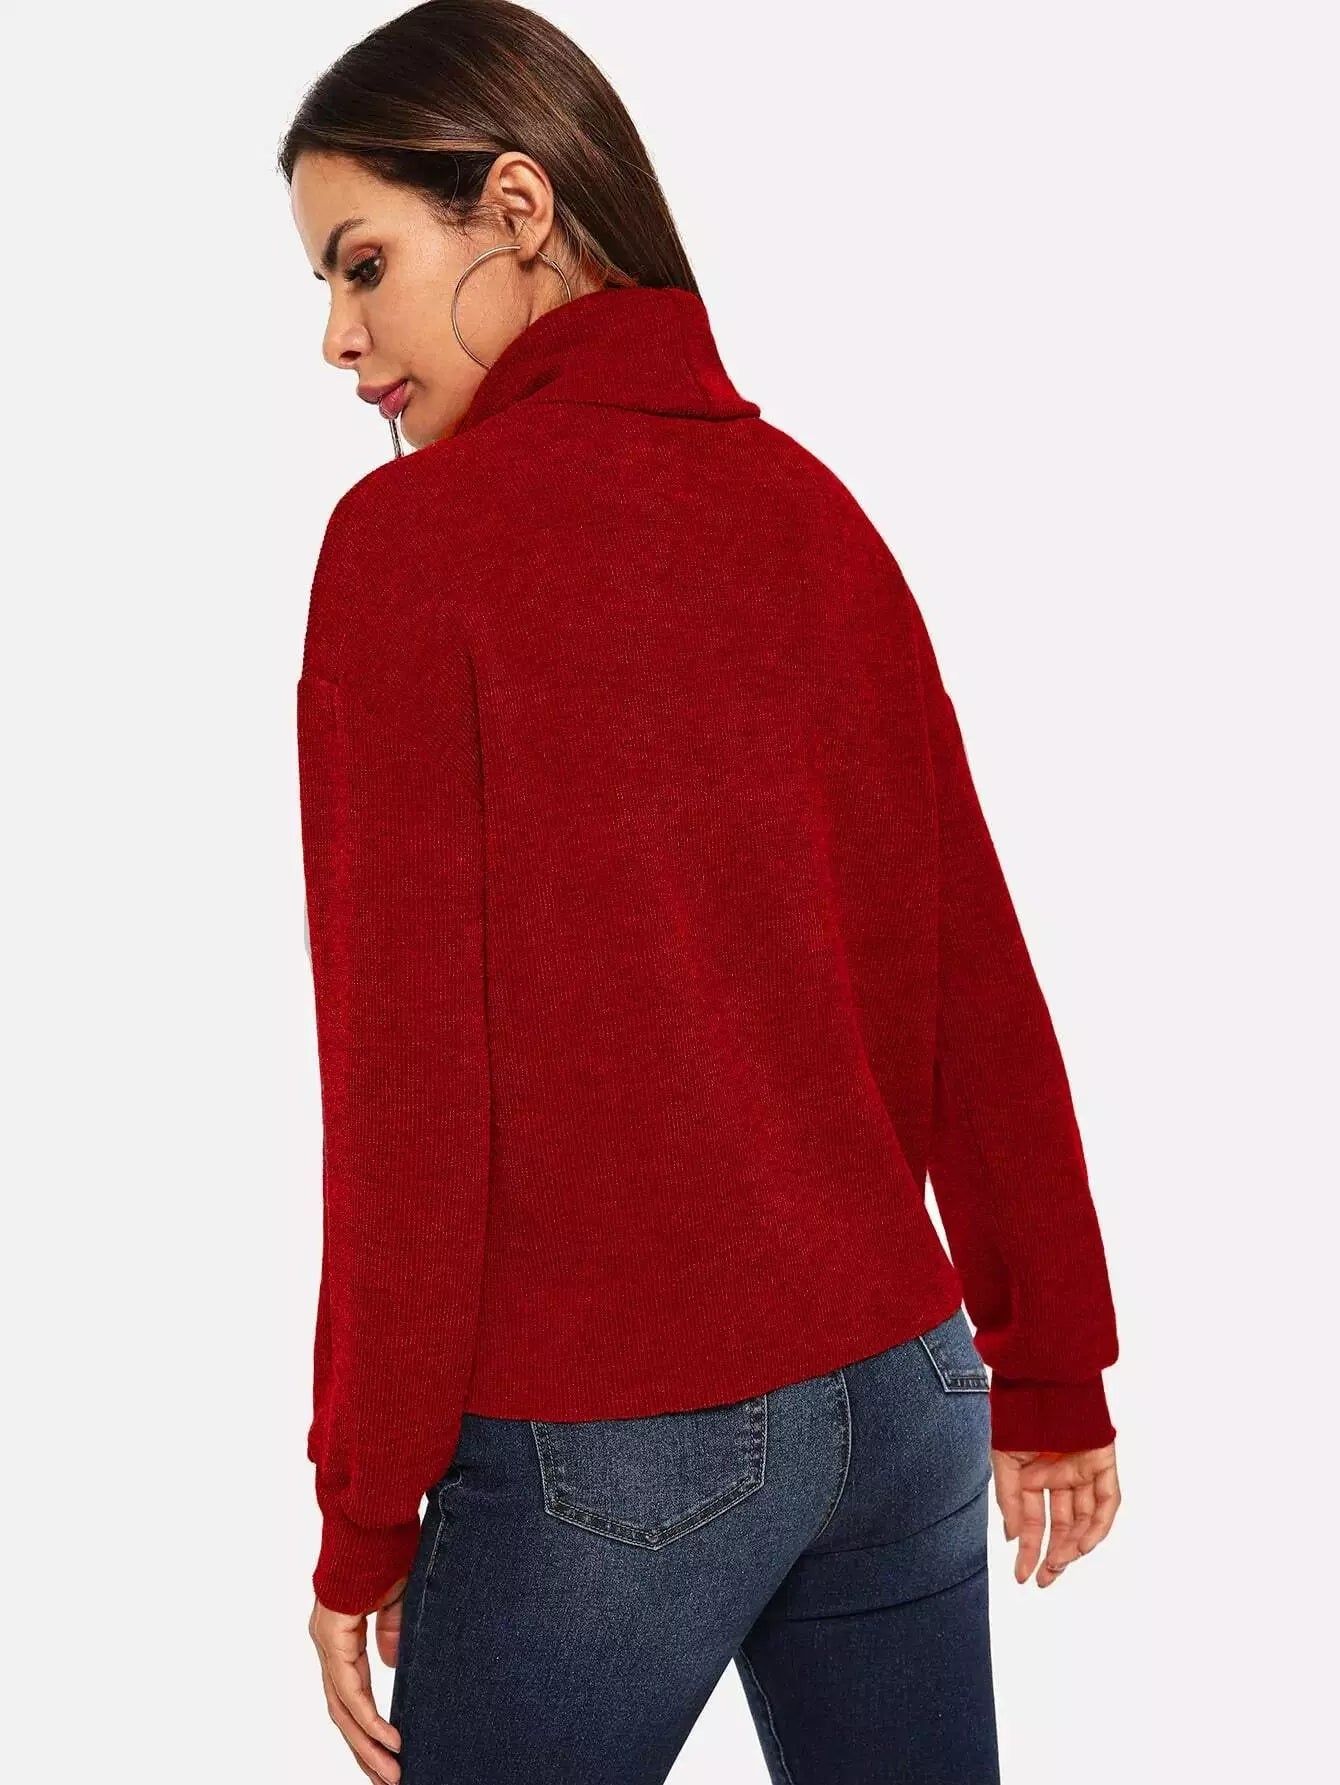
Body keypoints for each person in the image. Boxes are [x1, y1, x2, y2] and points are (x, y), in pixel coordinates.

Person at [280, 4, 1122, 1781]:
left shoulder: (407, 552)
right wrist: (1049, 1367)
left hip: (611, 1445)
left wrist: (364, 1507)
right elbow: (970, 973)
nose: (338, 337)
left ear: (517, 206)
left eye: (363, 264)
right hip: (902, 1395)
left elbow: (408, 1089)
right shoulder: (812, 508)